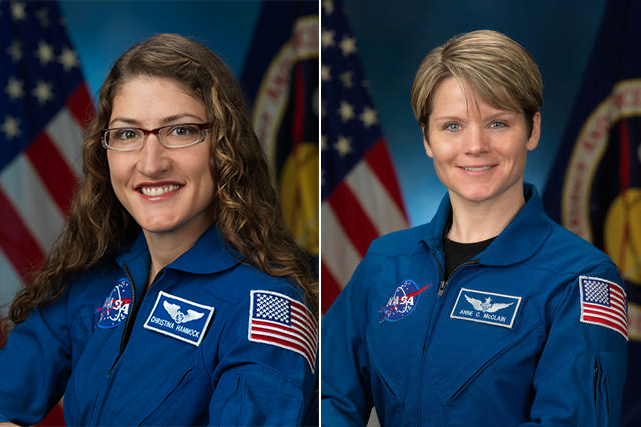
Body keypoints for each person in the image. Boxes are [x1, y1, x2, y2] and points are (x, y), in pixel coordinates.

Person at [0, 33, 318, 426]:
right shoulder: (94, 276)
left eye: (180, 130)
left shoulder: (267, 307)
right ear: (105, 151)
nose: (151, 164)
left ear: (225, 146)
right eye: (128, 134)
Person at [321, 30, 627, 426]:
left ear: (532, 130)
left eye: (498, 123)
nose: (475, 145)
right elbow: (327, 396)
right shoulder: (386, 263)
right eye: (452, 126)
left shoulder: (581, 279)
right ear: (427, 139)